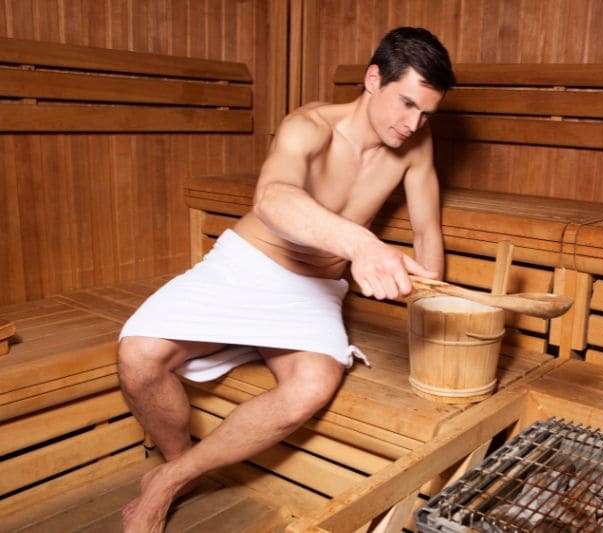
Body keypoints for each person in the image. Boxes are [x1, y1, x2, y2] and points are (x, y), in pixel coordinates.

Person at [116, 26, 455, 532]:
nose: (413, 123)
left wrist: (432, 319)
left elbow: (428, 231)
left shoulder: (415, 144)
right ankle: (178, 458)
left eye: (426, 112)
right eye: (406, 104)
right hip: (248, 263)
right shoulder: (310, 126)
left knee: (313, 385)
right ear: (372, 79)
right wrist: (361, 244)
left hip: (314, 288)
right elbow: (272, 199)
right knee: (137, 357)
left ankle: (170, 478)